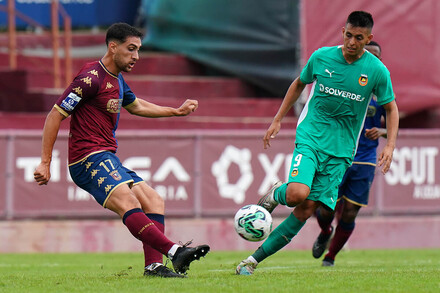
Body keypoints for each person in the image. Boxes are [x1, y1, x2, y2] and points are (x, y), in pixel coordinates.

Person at [33, 23, 209, 278]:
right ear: (113, 47)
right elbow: (54, 115)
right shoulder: (90, 77)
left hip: (106, 156)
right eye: (131, 49)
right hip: (87, 159)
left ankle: (154, 266)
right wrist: (45, 162)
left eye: (138, 50)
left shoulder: (117, 79)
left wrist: (176, 111)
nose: (136, 56)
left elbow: (136, 106)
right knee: (129, 201)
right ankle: (174, 251)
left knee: (154, 200)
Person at [236, 11, 399, 275]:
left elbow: (391, 108)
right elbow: (299, 84)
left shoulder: (377, 71)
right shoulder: (321, 57)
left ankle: (251, 262)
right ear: (342, 32)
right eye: (348, 35)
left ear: (368, 38)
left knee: (309, 207)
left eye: (359, 38)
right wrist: (278, 119)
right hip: (311, 137)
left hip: (342, 150)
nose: (352, 42)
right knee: (298, 194)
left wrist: (389, 145)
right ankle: (277, 192)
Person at [312, 40, 387, 266]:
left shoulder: (382, 87)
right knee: (325, 207)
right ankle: (325, 231)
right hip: (339, 152)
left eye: (376, 56)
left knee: (351, 211)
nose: (371, 59)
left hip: (365, 158)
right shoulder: (349, 80)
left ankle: (330, 257)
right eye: (369, 54)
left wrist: (383, 131)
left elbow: (394, 115)